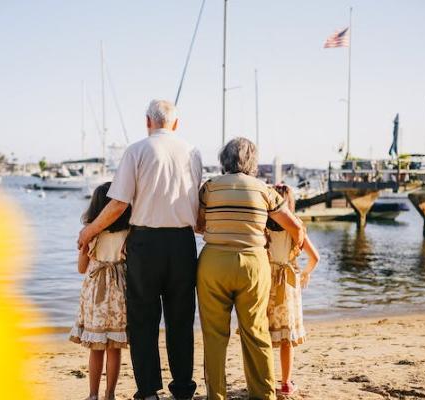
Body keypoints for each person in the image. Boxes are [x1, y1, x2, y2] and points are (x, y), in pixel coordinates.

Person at [77, 99, 202, 400]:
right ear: (176, 123)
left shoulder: (136, 151)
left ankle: (148, 390)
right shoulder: (193, 153)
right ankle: (183, 388)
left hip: (145, 244)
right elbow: (197, 207)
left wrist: (90, 231)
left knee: (144, 320)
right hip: (183, 243)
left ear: (148, 121)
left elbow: (119, 202)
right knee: (181, 320)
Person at [196, 137, 307, 400]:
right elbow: (296, 227)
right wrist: (294, 252)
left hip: (213, 263)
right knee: (256, 333)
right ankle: (263, 395)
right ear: (252, 161)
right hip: (254, 265)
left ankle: (216, 396)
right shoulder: (264, 190)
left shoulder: (209, 187)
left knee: (214, 336)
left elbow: (198, 224)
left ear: (225, 160)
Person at [69, 182, 132, 400]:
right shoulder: (128, 231)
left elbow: (81, 268)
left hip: (96, 291)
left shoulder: (90, 234)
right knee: (114, 347)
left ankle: (93, 394)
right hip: (119, 290)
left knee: (96, 348)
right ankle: (110, 394)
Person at [266, 184, 320, 395]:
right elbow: (315, 257)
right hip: (288, 284)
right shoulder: (296, 227)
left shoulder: (263, 225)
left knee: (265, 335)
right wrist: (305, 273)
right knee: (286, 338)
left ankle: (266, 380)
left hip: (266, 281)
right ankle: (286, 383)